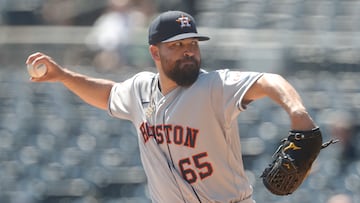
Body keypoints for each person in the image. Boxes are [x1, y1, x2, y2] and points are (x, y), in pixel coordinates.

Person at [26, 10, 317, 203]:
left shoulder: (214, 86)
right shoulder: (139, 88)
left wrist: (297, 112)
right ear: (154, 51)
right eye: (176, 45)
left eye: (192, 43)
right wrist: (63, 76)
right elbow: (108, 94)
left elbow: (269, 80)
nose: (188, 50)